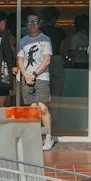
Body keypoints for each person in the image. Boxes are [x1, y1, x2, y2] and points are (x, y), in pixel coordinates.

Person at [17, 11, 56, 151]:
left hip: (41, 77)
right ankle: (35, 138)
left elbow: (47, 61)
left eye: (35, 21)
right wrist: (25, 75)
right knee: (33, 109)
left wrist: (33, 74)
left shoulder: (45, 39)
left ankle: (49, 137)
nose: (32, 24)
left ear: (39, 24)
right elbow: (20, 60)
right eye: (29, 21)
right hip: (27, 77)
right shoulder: (23, 40)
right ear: (26, 24)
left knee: (43, 108)